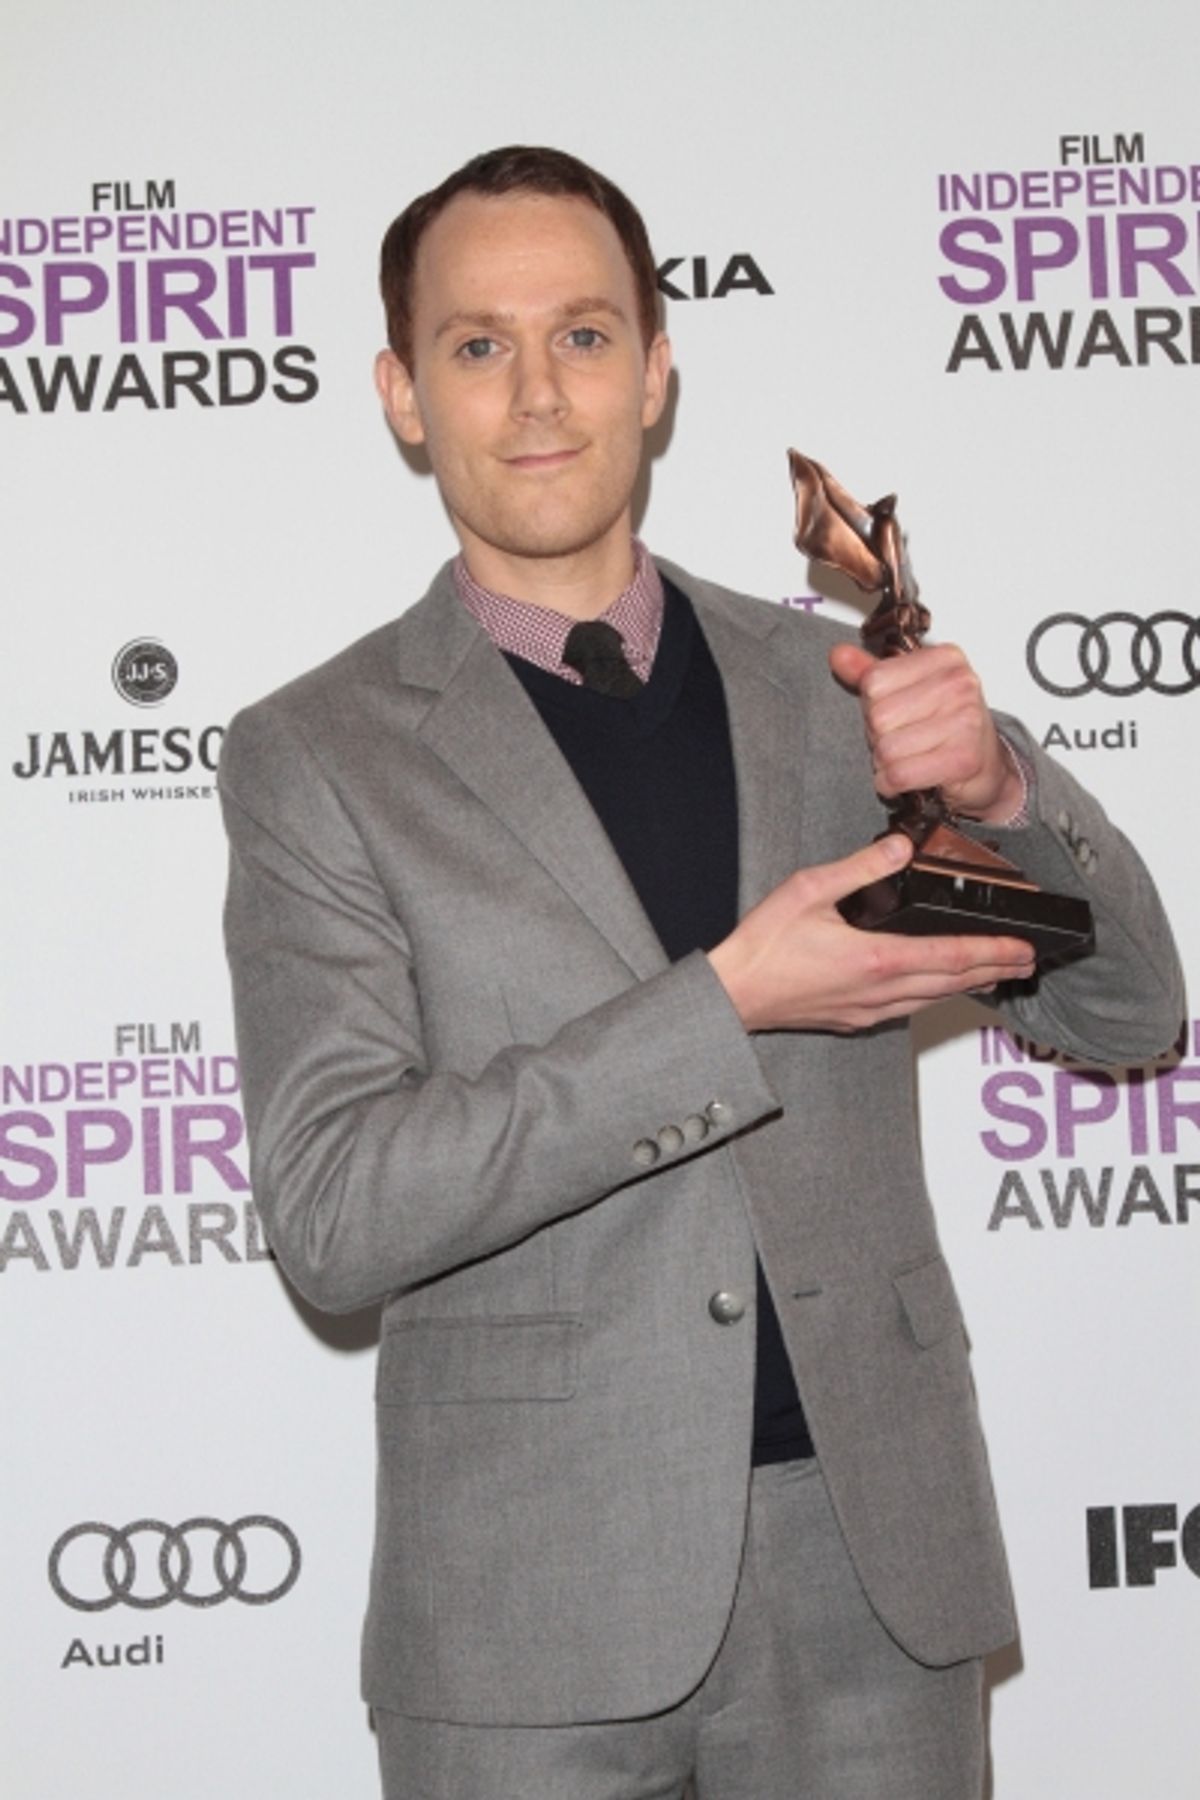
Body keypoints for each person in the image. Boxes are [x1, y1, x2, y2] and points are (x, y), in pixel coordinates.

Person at [218, 146, 1183, 1799]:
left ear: (659, 371)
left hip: (873, 1581)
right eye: (476, 346)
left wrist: (1007, 789)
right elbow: (335, 1214)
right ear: (401, 393)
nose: (536, 393)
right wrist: (726, 1002)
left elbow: (1133, 1013)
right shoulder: (316, 752)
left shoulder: (836, 685)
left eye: (585, 336)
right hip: (528, 1611)